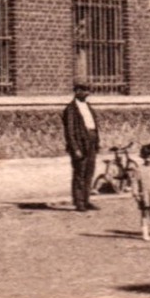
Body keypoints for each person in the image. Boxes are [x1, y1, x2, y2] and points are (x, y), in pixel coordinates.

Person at [62, 83, 101, 211]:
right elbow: (70, 131)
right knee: (80, 173)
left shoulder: (88, 106)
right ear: (77, 91)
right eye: (84, 91)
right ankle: (79, 202)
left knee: (89, 172)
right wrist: (75, 148)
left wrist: (97, 142)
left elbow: (94, 125)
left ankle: (86, 200)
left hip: (91, 143)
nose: (87, 93)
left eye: (88, 90)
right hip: (80, 144)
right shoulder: (71, 110)